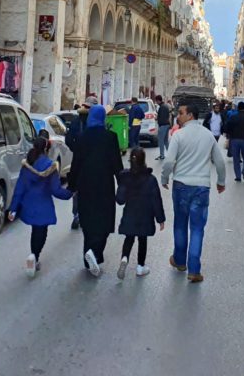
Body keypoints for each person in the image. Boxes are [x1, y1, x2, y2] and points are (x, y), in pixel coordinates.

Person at [161, 103, 226, 283]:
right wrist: (221, 182)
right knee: (197, 228)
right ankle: (194, 270)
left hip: (181, 185)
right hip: (201, 188)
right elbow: (219, 162)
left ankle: (180, 262)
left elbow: (169, 162)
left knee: (180, 225)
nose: (178, 117)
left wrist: (164, 178)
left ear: (190, 115)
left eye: (181, 113)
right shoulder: (208, 136)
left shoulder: (178, 135)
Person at [67, 104, 123, 276]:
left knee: (88, 222)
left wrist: (72, 185)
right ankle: (95, 253)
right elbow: (116, 164)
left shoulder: (82, 138)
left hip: (85, 185)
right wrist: (123, 184)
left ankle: (88, 257)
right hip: (104, 184)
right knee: (104, 222)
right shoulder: (110, 137)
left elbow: (76, 164)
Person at [8, 136, 73, 278]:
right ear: (46, 148)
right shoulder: (50, 165)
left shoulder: (27, 164)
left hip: (29, 204)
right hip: (43, 204)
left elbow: (20, 187)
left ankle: (33, 256)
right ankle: (35, 256)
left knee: (34, 230)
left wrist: (13, 208)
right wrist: (69, 193)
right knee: (41, 232)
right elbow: (56, 190)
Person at [115, 147, 166, 279]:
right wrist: (160, 219)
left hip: (130, 214)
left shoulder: (125, 178)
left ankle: (124, 258)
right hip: (145, 216)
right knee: (142, 240)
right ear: (144, 160)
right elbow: (156, 200)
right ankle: (140, 267)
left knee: (129, 238)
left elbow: (120, 200)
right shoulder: (151, 179)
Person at [65, 104, 89, 230]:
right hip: (90, 161)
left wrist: (75, 149)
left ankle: (76, 214)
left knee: (76, 189)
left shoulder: (75, 122)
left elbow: (68, 139)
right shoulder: (93, 124)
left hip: (77, 160)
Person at [225, 101, 244, 182]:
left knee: (236, 158)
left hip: (234, 139)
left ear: (238, 108)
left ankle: (238, 176)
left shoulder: (233, 117)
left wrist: (228, 135)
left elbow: (227, 127)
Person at [155, 95, 171, 160]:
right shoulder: (165, 106)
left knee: (161, 141)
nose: (156, 102)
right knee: (166, 141)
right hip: (166, 125)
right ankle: (171, 154)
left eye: (156, 101)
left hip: (163, 125)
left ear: (158, 100)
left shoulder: (162, 107)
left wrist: (158, 120)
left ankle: (162, 155)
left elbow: (162, 117)